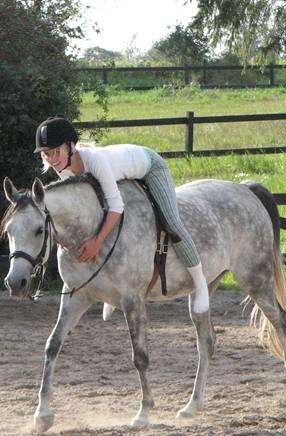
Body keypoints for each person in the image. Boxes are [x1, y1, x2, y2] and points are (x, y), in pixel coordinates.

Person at [34, 117, 210, 317]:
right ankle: (113, 296)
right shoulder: (63, 168)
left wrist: (97, 242)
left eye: (56, 152)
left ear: (71, 146)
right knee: (105, 221)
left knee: (172, 222)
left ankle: (200, 283)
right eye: (47, 154)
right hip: (122, 173)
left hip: (151, 167)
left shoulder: (94, 161)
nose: (52, 159)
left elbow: (116, 207)